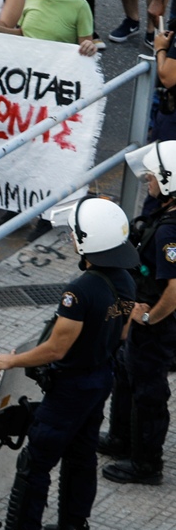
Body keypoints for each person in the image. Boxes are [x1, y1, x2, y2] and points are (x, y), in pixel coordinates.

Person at [0, 198, 136, 530]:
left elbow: (56, 348)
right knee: (81, 457)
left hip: (70, 390)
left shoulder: (79, 291)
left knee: (35, 464)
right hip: (100, 380)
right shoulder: (126, 279)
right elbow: (123, 331)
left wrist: (11, 360)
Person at [102, 138, 176, 487]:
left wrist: (148, 318)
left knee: (148, 390)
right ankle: (121, 438)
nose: (147, 182)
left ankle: (146, 464)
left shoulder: (169, 232)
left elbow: (175, 288)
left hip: (157, 325)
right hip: (146, 317)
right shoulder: (166, 216)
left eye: (152, 177)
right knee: (125, 372)